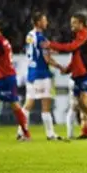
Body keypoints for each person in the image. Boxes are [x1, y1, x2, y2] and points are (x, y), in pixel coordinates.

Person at [41, 14, 87, 139]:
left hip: (86, 73)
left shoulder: (84, 34)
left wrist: (51, 44)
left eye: (74, 23)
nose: (71, 25)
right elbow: (76, 57)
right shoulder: (78, 36)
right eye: (71, 22)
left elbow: (71, 47)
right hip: (78, 74)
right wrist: (67, 69)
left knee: (84, 100)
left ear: (81, 24)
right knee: (80, 104)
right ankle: (86, 130)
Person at [0, 18, 30, 140]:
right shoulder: (4, 41)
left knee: (14, 105)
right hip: (3, 77)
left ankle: (25, 133)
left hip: (5, 77)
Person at [21, 12, 65, 141]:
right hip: (42, 74)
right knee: (46, 105)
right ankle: (50, 134)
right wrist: (60, 67)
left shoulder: (29, 35)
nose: (47, 22)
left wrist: (50, 50)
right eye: (44, 20)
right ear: (38, 22)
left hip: (31, 73)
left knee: (28, 103)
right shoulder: (41, 38)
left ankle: (21, 132)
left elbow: (36, 52)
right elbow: (46, 59)